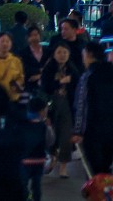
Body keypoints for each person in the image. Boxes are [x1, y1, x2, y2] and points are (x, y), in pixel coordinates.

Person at [40, 41, 79, 177]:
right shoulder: (49, 68)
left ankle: (63, 166)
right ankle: (52, 157)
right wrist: (60, 82)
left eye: (65, 52)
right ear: (54, 54)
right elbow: (45, 88)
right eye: (59, 52)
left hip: (67, 107)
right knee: (51, 135)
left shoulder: (72, 69)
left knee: (65, 135)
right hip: (51, 106)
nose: (62, 55)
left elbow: (77, 88)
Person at [73, 42, 113, 174]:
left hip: (92, 130)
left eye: (83, 54)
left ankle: (100, 194)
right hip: (110, 130)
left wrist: (77, 131)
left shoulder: (88, 76)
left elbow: (81, 105)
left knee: (94, 173)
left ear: (89, 54)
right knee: (106, 170)